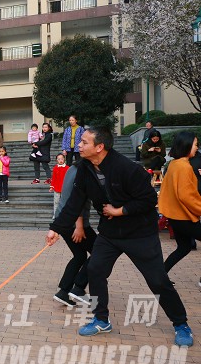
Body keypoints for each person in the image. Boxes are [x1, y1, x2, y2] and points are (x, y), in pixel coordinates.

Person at [46, 126, 193, 347]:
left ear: (99, 147)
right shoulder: (85, 168)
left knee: (157, 281)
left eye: (84, 142)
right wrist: (56, 228)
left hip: (140, 233)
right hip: (110, 233)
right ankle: (101, 319)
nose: (79, 145)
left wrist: (120, 211)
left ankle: (181, 324)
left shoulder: (127, 168)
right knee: (95, 270)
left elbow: (147, 200)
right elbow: (75, 202)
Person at [47, 162, 97, 307]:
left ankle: (63, 291)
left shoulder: (72, 169)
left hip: (64, 221)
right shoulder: (82, 172)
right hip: (74, 223)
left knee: (80, 255)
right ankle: (79, 288)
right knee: (99, 251)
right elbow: (76, 200)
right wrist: (79, 225)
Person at [158, 131, 201, 276]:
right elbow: (187, 196)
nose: (197, 148)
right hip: (184, 218)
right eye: (195, 145)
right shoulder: (184, 166)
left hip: (175, 216)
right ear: (187, 145)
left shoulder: (174, 164)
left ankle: (161, 276)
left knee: (184, 248)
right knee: (184, 247)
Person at [49, 153, 69, 219]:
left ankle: (65, 215)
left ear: (64, 159)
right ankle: (55, 214)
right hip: (57, 188)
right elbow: (54, 178)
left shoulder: (67, 168)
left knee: (65, 202)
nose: (60, 160)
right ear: (56, 160)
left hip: (65, 188)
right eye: (59, 159)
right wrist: (52, 187)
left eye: (62, 159)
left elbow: (69, 178)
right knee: (56, 202)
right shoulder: (55, 168)